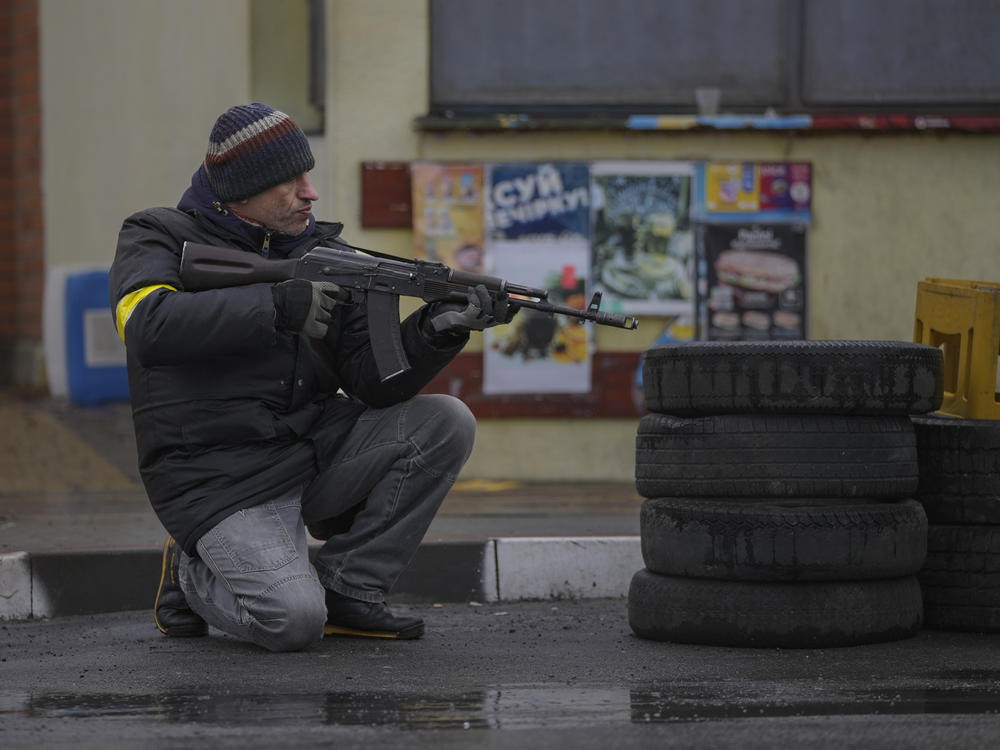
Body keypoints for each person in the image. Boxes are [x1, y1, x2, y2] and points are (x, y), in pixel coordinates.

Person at [110, 103, 516, 652]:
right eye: (290, 181)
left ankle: (349, 589)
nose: (310, 193)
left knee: (445, 421)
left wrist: (438, 328)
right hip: (219, 479)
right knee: (292, 622)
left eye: (308, 175)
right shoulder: (156, 235)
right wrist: (274, 307)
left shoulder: (325, 253)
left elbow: (374, 384)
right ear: (241, 188)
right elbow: (146, 325)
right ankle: (191, 570)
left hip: (313, 450)